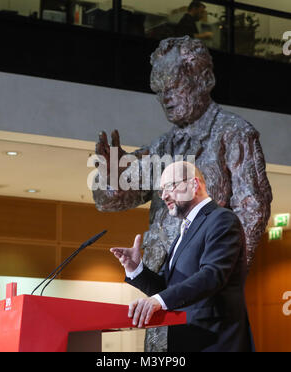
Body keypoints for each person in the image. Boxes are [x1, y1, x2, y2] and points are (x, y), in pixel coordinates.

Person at [93, 36, 272, 351]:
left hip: (208, 316)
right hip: (166, 305)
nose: (166, 99)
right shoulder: (163, 147)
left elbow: (252, 210)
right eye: (159, 92)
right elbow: (111, 200)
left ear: (204, 80)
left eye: (173, 87)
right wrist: (110, 177)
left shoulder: (234, 133)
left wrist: (222, 280)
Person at [110, 161, 254, 352]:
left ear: (194, 185)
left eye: (170, 186)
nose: (164, 196)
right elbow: (167, 288)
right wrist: (136, 269)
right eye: (162, 190)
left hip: (217, 341)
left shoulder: (222, 219)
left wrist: (158, 301)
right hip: (186, 340)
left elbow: (212, 275)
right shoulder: (185, 230)